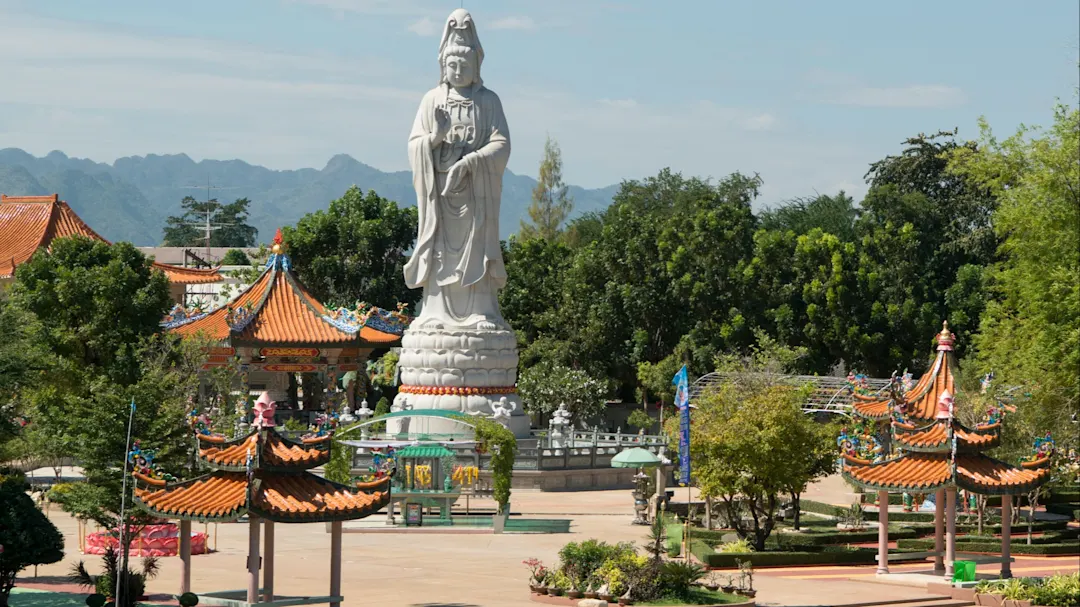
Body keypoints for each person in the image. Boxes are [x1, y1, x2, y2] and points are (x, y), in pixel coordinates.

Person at [404, 8, 510, 331]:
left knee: (475, 250)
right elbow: (414, 145)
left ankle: (481, 310)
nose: (459, 69)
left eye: (465, 64)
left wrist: (470, 162)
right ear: (442, 65)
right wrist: (434, 138)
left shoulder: (488, 102)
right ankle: (435, 311)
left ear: (477, 64)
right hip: (440, 198)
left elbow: (501, 144)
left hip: (475, 197)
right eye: (452, 64)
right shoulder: (430, 100)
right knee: (439, 254)